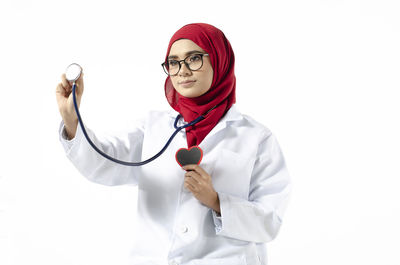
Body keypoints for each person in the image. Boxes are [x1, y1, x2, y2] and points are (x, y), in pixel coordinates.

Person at [55, 23, 291, 265]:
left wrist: (217, 201)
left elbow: (270, 222)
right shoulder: (154, 128)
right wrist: (72, 122)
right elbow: (104, 165)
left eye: (194, 58)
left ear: (220, 61)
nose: (182, 70)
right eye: (174, 62)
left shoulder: (256, 138)